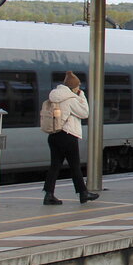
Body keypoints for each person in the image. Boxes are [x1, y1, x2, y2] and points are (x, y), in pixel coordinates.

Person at [43, 71, 100, 205]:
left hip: (54, 135)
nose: (78, 88)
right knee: (75, 166)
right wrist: (82, 95)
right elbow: (85, 113)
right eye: (77, 86)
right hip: (68, 136)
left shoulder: (54, 96)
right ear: (73, 87)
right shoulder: (70, 99)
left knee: (55, 166)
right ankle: (83, 194)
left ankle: (48, 194)